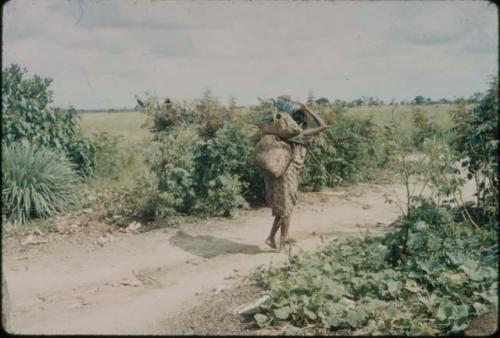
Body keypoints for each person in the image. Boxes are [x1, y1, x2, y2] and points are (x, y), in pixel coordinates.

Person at [263, 101, 327, 250]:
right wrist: (309, 110)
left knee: (283, 209)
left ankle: (271, 238)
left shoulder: (285, 135)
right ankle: (283, 242)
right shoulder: (299, 133)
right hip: (288, 175)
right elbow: (323, 125)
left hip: (282, 175)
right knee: (287, 209)